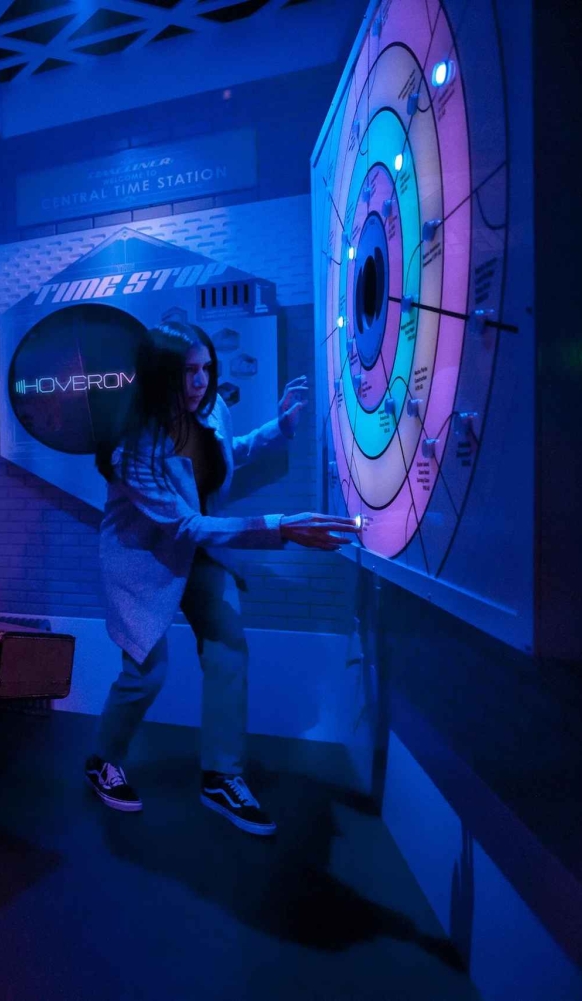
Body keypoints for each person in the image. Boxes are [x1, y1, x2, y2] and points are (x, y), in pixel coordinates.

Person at [85, 321, 359, 836]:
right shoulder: (131, 447)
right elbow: (184, 524)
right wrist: (282, 526)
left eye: (206, 369)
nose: (200, 381)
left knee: (229, 647)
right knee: (147, 674)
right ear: (161, 374)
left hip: (200, 550)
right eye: (187, 371)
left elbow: (225, 456)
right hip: (144, 562)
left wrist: (278, 428)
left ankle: (221, 776)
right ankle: (102, 760)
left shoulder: (213, 410)